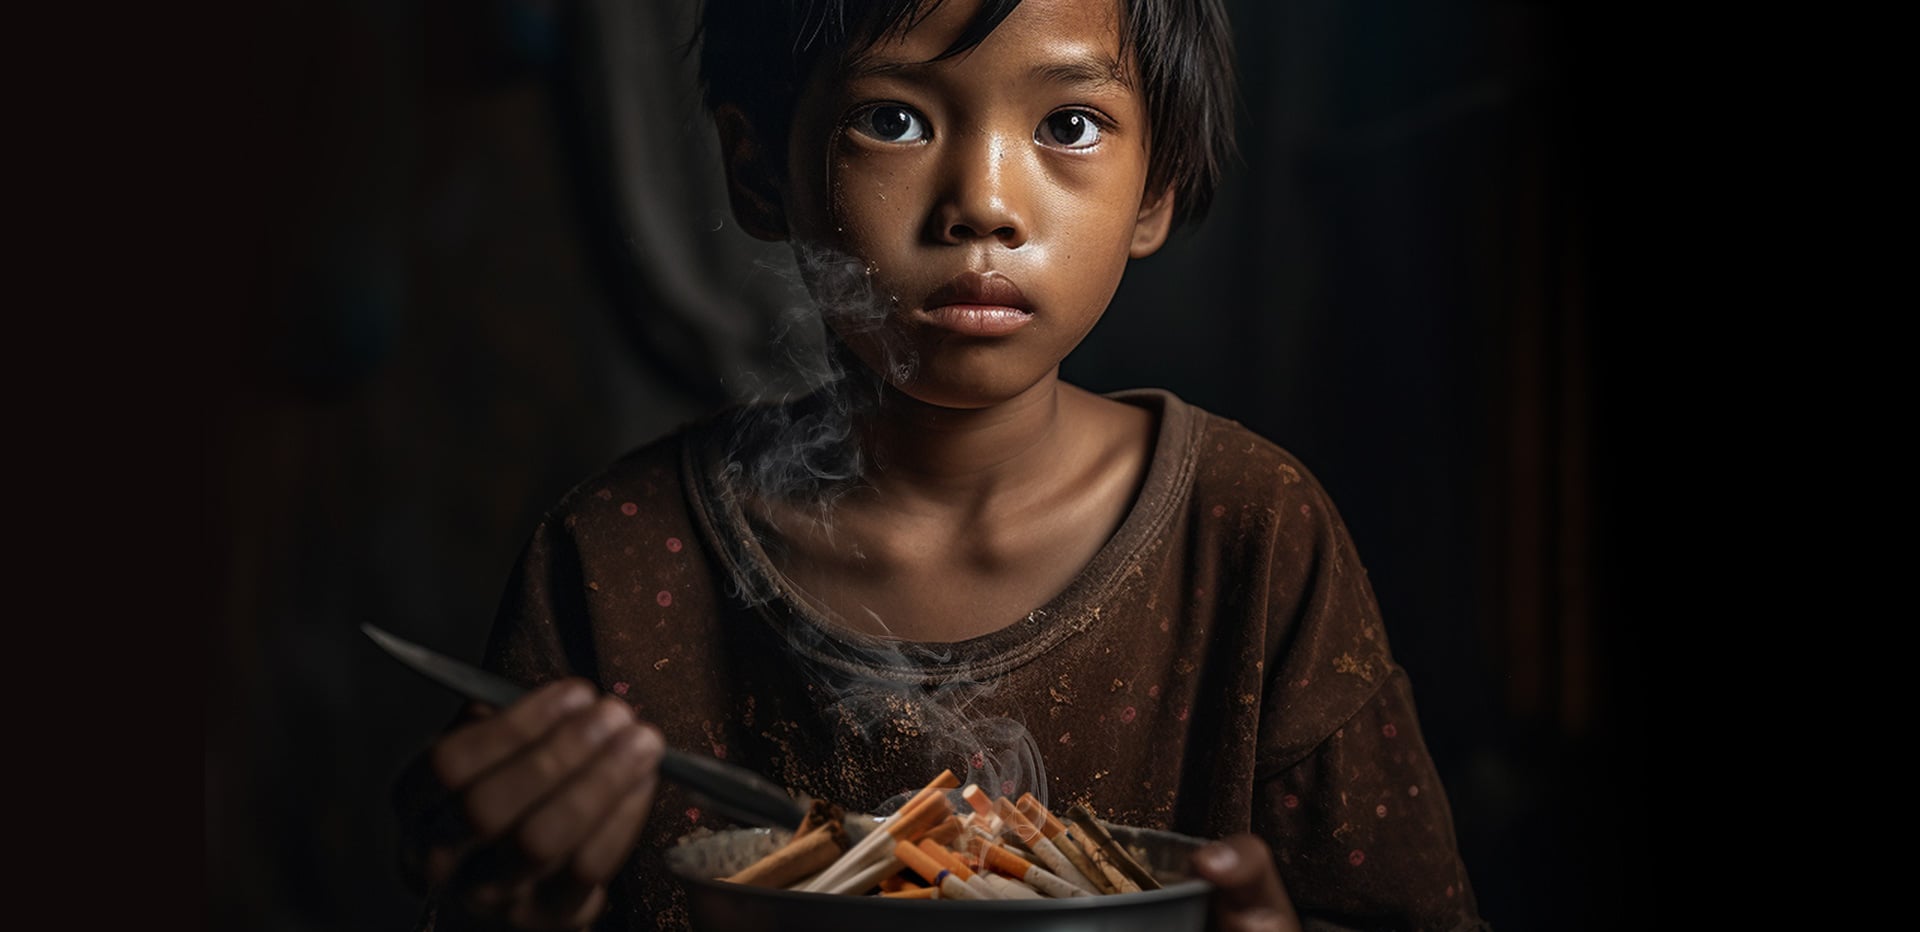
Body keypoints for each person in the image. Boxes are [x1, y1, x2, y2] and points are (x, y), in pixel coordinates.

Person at [391, 1, 1489, 930]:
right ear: (762, 171)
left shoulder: (1251, 531)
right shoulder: (617, 560)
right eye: (893, 118)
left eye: (1068, 122)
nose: (985, 205)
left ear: (1157, 187)